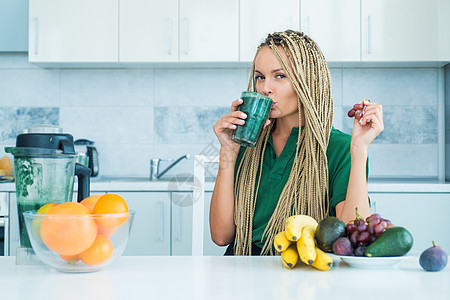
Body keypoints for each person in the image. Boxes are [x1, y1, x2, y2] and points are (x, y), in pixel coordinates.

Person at [210, 30, 384, 256]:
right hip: (241, 268)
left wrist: (359, 150)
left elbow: (352, 238)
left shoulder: (340, 148)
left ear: (308, 81)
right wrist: (228, 151)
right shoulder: (246, 142)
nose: (265, 88)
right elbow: (221, 236)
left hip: (304, 268)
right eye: (260, 76)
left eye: (280, 76)